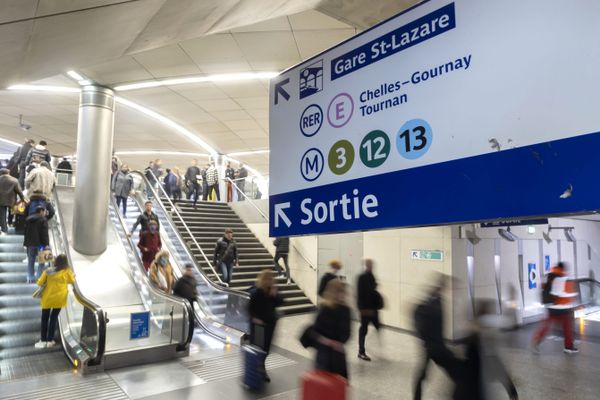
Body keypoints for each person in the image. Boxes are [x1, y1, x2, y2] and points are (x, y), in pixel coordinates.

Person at [455, 299, 518, 400]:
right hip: (477, 384)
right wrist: (512, 391)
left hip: (471, 385)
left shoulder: (473, 333)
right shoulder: (481, 335)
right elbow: (500, 371)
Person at [413, 275, 463, 400]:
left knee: (422, 375)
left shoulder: (433, 299)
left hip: (431, 347)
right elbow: (422, 320)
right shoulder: (434, 303)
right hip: (436, 347)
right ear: (442, 287)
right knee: (457, 374)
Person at [302, 279, 351, 379]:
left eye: (344, 292)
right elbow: (314, 331)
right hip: (324, 355)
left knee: (339, 384)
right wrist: (328, 342)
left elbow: (348, 333)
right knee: (323, 383)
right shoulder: (324, 308)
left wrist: (340, 342)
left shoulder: (346, 310)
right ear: (334, 292)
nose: (344, 295)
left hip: (338, 355)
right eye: (341, 291)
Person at [532, 262, 579, 353]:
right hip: (562, 308)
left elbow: (542, 288)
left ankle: (536, 342)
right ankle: (568, 347)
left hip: (551, 306)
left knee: (546, 326)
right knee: (567, 328)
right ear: (563, 268)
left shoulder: (548, 276)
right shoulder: (562, 277)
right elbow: (565, 294)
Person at [248, 270, 284, 382]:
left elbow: (280, 302)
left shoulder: (272, 291)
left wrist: (275, 295)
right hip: (259, 326)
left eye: (271, 279)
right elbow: (250, 308)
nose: (269, 281)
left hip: (270, 324)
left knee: (266, 349)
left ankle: (260, 366)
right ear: (263, 280)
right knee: (259, 348)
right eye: (267, 279)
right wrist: (255, 318)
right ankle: (259, 369)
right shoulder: (257, 292)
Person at [34, 254, 75, 349]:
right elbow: (71, 280)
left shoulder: (48, 271)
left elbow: (39, 283)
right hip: (59, 299)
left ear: (56, 261)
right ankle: (50, 340)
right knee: (53, 318)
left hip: (47, 299)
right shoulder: (67, 272)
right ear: (66, 263)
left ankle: (43, 339)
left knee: (44, 319)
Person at [357, 259, 383, 361]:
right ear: (366, 265)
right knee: (363, 330)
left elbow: (372, 290)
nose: (372, 266)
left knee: (378, 326)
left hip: (373, 309)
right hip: (365, 310)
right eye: (370, 265)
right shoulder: (361, 277)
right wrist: (362, 309)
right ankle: (361, 351)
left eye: (372, 265)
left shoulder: (372, 276)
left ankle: (370, 345)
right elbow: (359, 294)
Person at [24, 206, 50, 283]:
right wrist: (46, 244)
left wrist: (26, 243)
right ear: (41, 211)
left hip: (30, 244)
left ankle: (30, 277)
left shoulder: (28, 219)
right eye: (45, 211)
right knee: (42, 262)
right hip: (41, 244)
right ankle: (39, 277)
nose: (45, 213)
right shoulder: (43, 220)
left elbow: (26, 232)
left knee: (31, 261)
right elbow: (44, 234)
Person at [0, 168, 28, 234]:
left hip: (1, 200)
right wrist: (23, 199)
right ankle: (10, 223)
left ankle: (4, 229)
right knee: (12, 212)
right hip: (11, 200)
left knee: (2, 215)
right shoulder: (14, 180)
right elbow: (19, 191)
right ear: (8, 173)